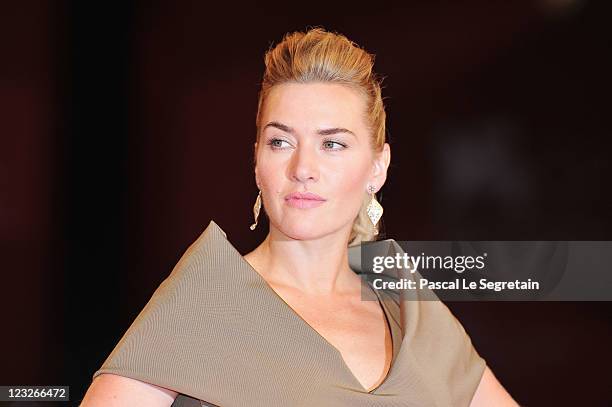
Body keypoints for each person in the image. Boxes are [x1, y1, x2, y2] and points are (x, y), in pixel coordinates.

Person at [80, 27, 519, 406]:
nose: (302, 168)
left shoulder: (405, 302)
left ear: (377, 167)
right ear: (257, 162)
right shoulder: (209, 298)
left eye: (332, 144)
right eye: (280, 141)